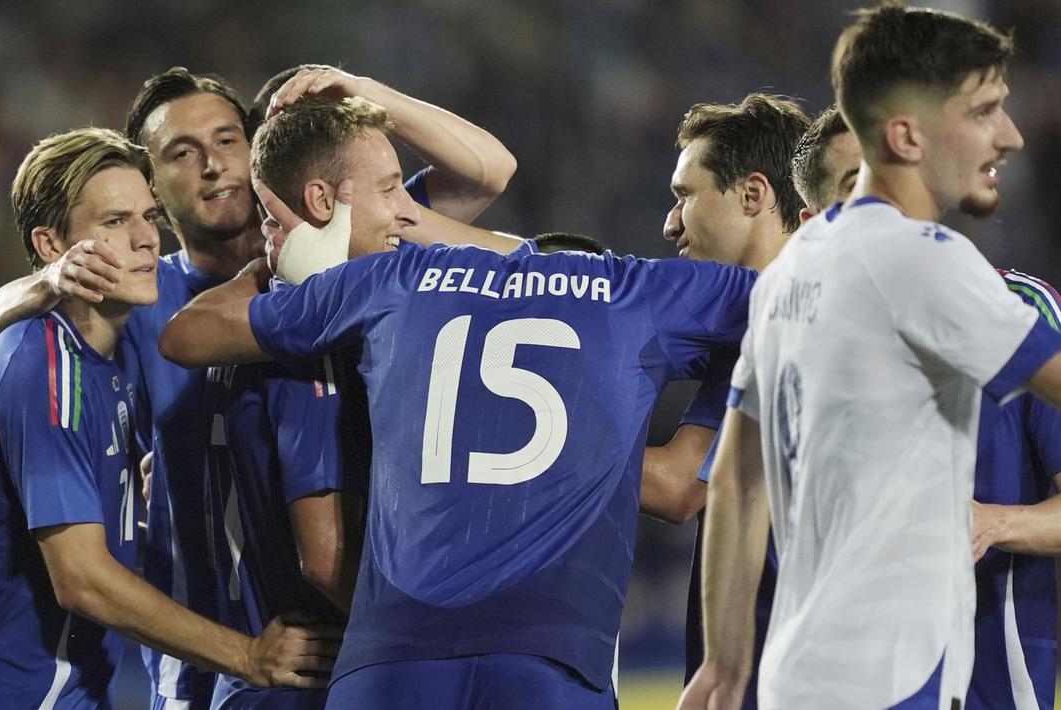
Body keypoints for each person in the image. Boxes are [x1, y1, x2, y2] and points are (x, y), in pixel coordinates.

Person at [157, 93, 758, 710]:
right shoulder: (628, 291)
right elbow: (780, 292)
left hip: (389, 654)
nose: (406, 212)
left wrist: (294, 275)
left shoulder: (390, 283)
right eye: (392, 188)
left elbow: (183, 335)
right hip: (547, 650)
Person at [0, 65, 521, 709]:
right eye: (181, 152)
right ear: (152, 185)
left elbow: (487, 172)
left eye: (227, 140)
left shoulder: (343, 244)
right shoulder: (138, 292)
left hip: (346, 633)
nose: (212, 165)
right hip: (209, 655)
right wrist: (48, 280)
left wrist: (368, 93)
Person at [681, 6, 1061, 709]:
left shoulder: (793, 272)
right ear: (907, 134)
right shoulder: (927, 262)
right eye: (983, 112)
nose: (1007, 136)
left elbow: (736, 479)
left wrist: (725, 665)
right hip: (896, 682)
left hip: (797, 675)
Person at [0, 128, 337, 709]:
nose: (144, 239)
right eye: (113, 222)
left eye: (148, 217)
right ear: (51, 244)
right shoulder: (44, 364)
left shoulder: (104, 366)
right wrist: (248, 656)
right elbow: (81, 579)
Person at [643, 93, 812, 710]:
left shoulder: (788, 315)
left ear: (752, 194)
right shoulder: (765, 314)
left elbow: (682, 486)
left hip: (780, 662)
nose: (670, 223)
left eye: (685, 194)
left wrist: (535, 443)